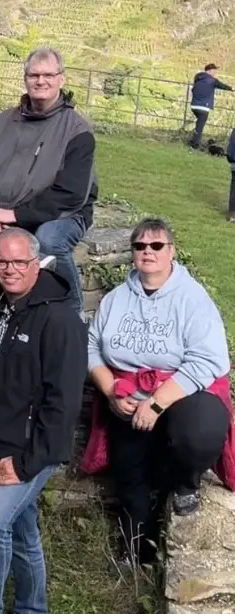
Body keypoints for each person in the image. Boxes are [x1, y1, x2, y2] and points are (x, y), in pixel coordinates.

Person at [82, 219, 233, 564]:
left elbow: (207, 360)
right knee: (129, 470)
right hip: (128, 393)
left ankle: (185, 483)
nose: (147, 252)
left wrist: (156, 403)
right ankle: (138, 552)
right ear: (132, 254)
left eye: (156, 246)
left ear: (171, 252)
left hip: (183, 390)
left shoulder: (193, 299)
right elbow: (91, 348)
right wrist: (110, 392)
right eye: (140, 246)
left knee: (198, 434)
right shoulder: (116, 300)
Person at [0, 229, 87, 614]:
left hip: (33, 448)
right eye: (2, 261)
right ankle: (32, 608)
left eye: (19, 262)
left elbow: (63, 404)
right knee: (22, 530)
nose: (9, 269)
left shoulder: (60, 320)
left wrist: (25, 464)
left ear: (36, 264)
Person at [0, 47, 96, 313]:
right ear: (25, 79)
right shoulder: (1, 123)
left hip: (60, 215)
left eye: (48, 75)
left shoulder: (78, 132)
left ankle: (73, 310)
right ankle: (36, 261)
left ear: (61, 79)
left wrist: (10, 215)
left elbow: (70, 194)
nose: (40, 81)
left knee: (49, 239)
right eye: (34, 75)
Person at [187, 63, 230, 150]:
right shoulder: (212, 80)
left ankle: (193, 141)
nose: (215, 73)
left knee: (198, 124)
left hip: (194, 105)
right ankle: (194, 145)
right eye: (214, 71)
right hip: (204, 107)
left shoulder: (197, 78)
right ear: (210, 71)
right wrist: (231, 88)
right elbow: (222, 86)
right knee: (199, 126)